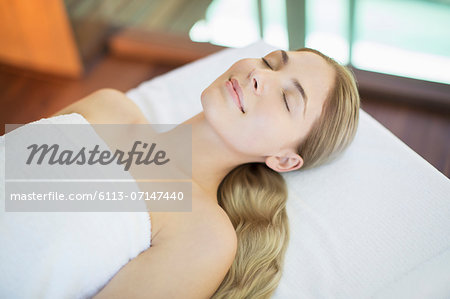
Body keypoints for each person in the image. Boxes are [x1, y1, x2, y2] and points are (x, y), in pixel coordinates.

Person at [52, 47, 360, 298]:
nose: (259, 75)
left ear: (283, 160)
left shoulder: (203, 239)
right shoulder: (108, 107)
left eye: (287, 99)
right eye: (270, 62)